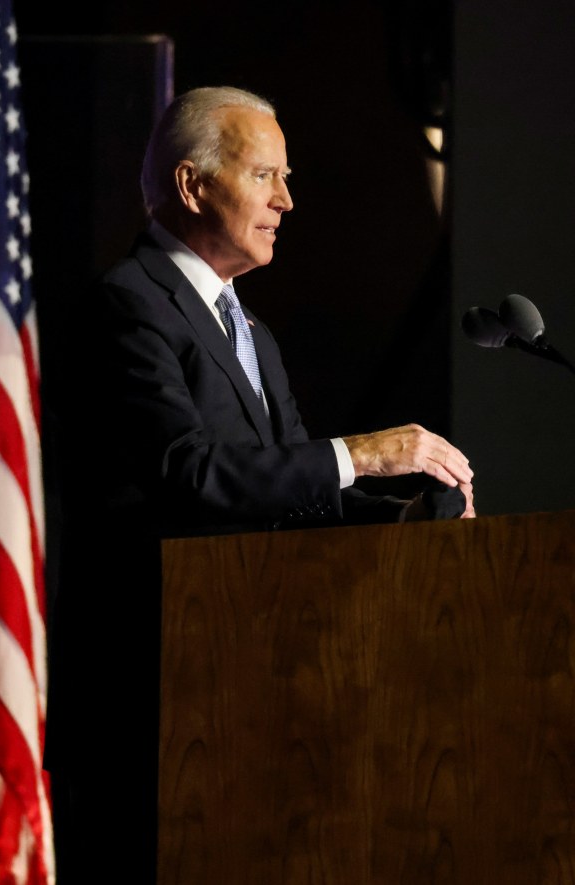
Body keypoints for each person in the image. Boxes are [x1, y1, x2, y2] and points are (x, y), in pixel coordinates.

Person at [44, 85, 475, 882]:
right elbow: (192, 471)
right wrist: (368, 451)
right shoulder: (126, 308)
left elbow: (288, 493)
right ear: (191, 183)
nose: (287, 199)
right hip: (152, 702)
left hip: (253, 685)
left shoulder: (252, 332)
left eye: (287, 177)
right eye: (265, 176)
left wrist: (411, 504)